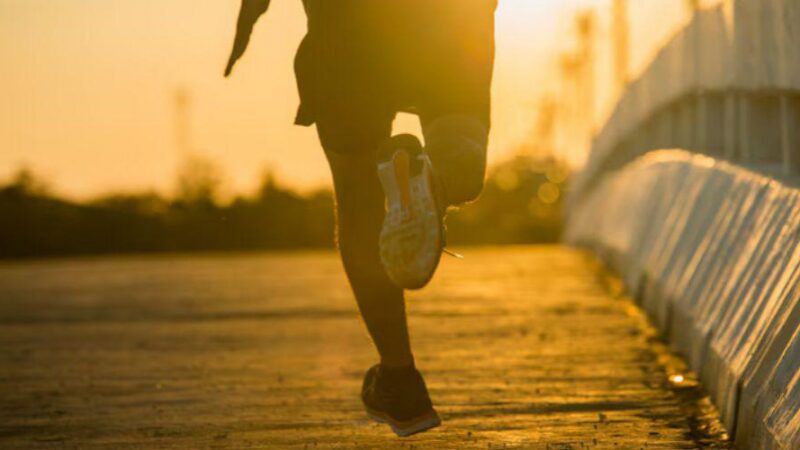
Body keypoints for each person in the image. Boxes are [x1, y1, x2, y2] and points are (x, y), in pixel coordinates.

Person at [225, 0, 496, 437]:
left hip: (344, 22)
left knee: (358, 196)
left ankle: (400, 381)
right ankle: (433, 181)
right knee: (460, 143)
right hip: (450, 16)